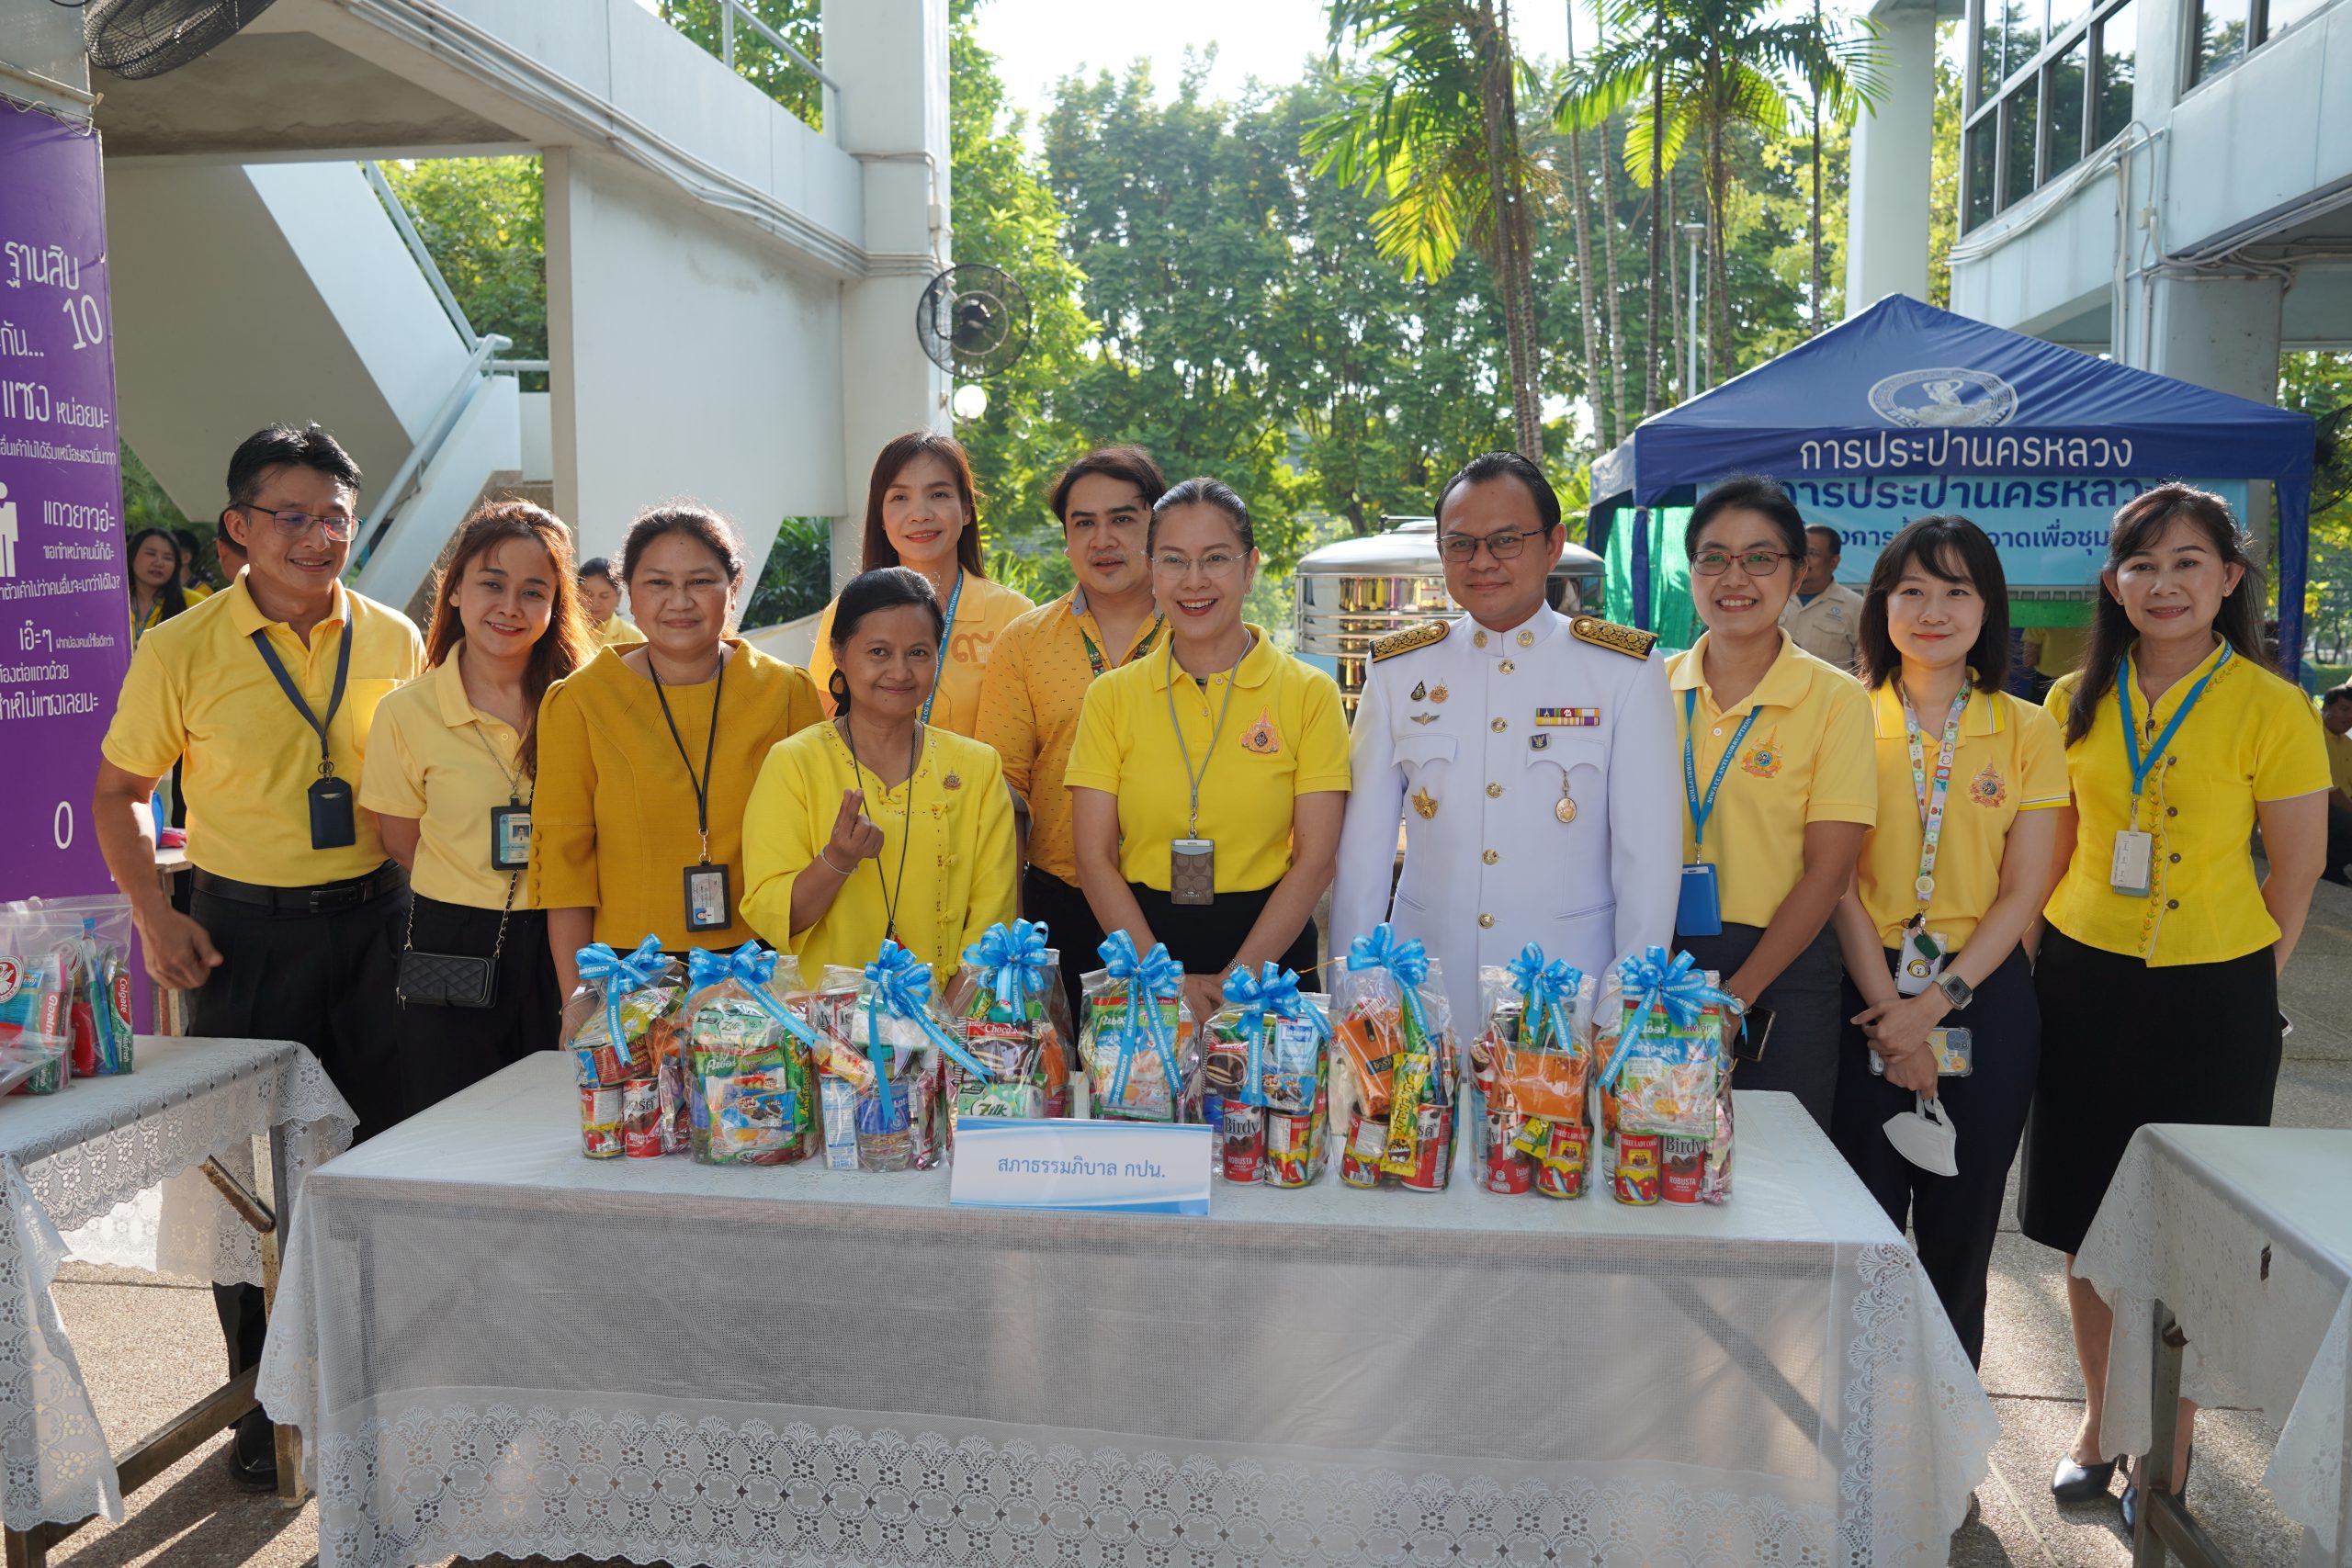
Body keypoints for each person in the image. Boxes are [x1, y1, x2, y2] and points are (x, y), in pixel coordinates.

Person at [92, 423, 425, 1491]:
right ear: (238, 529)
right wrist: (156, 914)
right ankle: (260, 1406)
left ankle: (369, 1389)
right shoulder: (178, 648)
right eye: (292, 517)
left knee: (373, 1166)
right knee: (249, 1194)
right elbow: (119, 794)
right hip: (243, 939)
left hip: (378, 930)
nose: (319, 537)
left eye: (335, 517)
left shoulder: (393, 639)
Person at [2025, 484, 2329, 1519]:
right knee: (2084, 1218)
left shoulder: (2270, 705)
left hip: (2215, 994)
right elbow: (2051, 850)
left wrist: (2250, 987)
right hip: (2082, 979)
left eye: (2187, 563)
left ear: (2228, 579)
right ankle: (2100, 1425)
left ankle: (2171, 1442)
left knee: (2191, 1232)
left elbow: (2293, 872)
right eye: (2141, 565)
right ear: (2111, 583)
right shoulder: (2072, 697)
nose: (2164, 584)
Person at [1826, 514, 2069, 1368]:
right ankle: (1857, 1448)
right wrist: (1891, 1012)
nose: (1933, 609)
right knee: (1857, 1234)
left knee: (1962, 1243)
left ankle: (1944, 1451)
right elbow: (1838, 884)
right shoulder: (1844, 715)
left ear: (1987, 608)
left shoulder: (2029, 728)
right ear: (1882, 604)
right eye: (1912, 589)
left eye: (1957, 590)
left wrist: (1932, 1004)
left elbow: (2023, 890)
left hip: (1983, 995)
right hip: (1863, 994)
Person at [1331, 451, 1679, 1030]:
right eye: (1460, 544)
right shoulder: (1398, 670)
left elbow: (1648, 860)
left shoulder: (1624, 669)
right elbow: (1364, 854)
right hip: (1425, 994)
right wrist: (1361, 995)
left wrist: (1625, 1007)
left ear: (1553, 545)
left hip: (1569, 998)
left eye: (1507, 540)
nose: (1482, 561)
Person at [1068, 478, 1351, 1024]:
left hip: (1269, 955)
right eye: (1174, 560)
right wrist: (1164, 979)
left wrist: (1237, 981)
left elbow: (1315, 860)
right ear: (1152, 570)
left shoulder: (1307, 694)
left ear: (1250, 568)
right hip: (1143, 954)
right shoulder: (1111, 697)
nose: (1194, 581)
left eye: (1216, 558)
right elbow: (1093, 858)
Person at [534, 503, 825, 999]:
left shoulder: (786, 691)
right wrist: (575, 999)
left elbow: (814, 842)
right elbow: (564, 869)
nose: (680, 601)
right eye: (658, 583)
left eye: (700, 582)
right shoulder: (580, 701)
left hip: (761, 961)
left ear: (733, 588)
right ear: (631, 593)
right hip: (630, 970)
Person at [361, 502, 594, 1114]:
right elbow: (401, 842)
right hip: (451, 939)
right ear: (457, 588)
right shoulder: (405, 712)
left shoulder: (585, 705)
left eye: (533, 591)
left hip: (569, 937)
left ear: (555, 606)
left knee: (563, 1123)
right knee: (452, 1128)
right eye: (492, 583)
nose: (510, 607)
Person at [1668, 475, 1876, 1132]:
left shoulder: (1836, 699)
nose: (1735, 577)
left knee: (1780, 1179)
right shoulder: (1649, 685)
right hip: (1658, 963)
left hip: (1780, 969)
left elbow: (1829, 874)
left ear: (1797, 572)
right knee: (1655, 1157)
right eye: (1713, 557)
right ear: (1693, 570)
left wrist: (1735, 998)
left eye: (1760, 558)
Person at [742, 569, 1017, 976]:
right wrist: (837, 859)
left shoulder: (976, 765)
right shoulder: (794, 762)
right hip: (828, 1024)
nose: (901, 671)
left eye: (918, 652)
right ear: (838, 653)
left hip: (945, 1016)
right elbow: (775, 917)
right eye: (878, 652)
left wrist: (944, 1026)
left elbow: (993, 923)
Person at [976, 446, 1169, 1021]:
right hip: (1062, 903)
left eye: (1123, 519)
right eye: (1083, 523)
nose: (1102, 539)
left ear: (1157, 527)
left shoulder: (1196, 627)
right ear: (1066, 539)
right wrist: (1004, 926)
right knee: (1067, 1083)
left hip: (1174, 896)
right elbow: (1005, 794)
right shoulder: (1025, 642)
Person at [808, 432, 1034, 739]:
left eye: (938, 494)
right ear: (882, 517)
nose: (920, 515)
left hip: (981, 786)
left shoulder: (1015, 614)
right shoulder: (846, 611)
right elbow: (824, 727)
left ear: (967, 510)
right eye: (900, 497)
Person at [1779, 524, 1865, 671]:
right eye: (1800, 552)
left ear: (1833, 562)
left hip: (1832, 694)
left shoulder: (1855, 606)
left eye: (1812, 553)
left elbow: (1866, 666)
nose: (1803, 560)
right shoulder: (1774, 597)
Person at [128, 526, 208, 642]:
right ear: (132, 556)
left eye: (168, 558)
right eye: (151, 554)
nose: (159, 563)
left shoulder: (196, 604)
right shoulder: (114, 602)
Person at [2319, 683, 2352, 886]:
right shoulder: (2315, 735)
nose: (2349, 717)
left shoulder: (2347, 744)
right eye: (2344, 709)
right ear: (2326, 708)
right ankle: (2329, 871)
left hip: (2343, 804)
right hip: (2319, 804)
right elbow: (2330, 791)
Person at [578, 555, 643, 648]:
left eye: (604, 596)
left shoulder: (634, 637)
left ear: (619, 597)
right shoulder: (565, 631)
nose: (595, 603)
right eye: (588, 595)